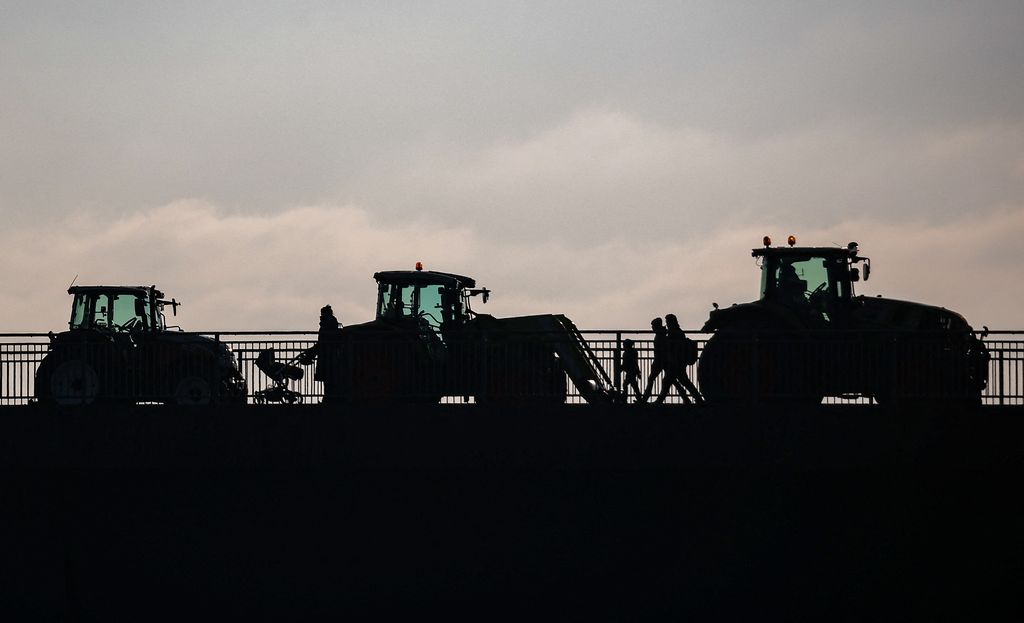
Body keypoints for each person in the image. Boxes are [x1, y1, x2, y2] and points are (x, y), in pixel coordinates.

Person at [656, 313, 704, 404]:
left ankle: (660, 400)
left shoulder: (674, 332)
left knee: (669, 381)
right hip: (678, 361)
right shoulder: (677, 331)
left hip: (676, 361)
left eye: (667, 321)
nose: (667, 324)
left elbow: (672, 345)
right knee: (683, 381)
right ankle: (697, 399)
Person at [640, 317, 667, 403]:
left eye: (653, 326)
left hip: (660, 361)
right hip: (662, 360)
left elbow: (661, 350)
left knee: (651, 379)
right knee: (672, 380)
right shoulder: (662, 334)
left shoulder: (660, 335)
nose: (652, 328)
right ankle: (646, 399)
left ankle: (645, 399)